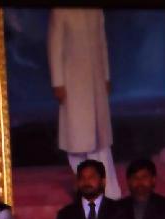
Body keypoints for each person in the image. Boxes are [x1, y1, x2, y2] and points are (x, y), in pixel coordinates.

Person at [48, 8, 120, 198]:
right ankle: (85, 186)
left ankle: (110, 191)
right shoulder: (61, 11)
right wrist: (57, 82)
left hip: (96, 83)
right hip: (73, 84)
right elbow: (55, 47)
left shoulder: (95, 11)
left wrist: (106, 76)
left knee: (100, 140)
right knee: (76, 139)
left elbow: (102, 45)